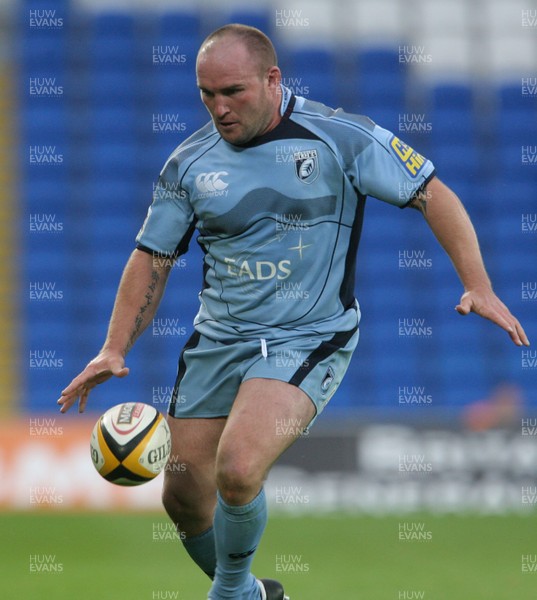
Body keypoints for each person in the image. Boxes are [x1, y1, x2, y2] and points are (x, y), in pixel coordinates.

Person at [58, 23, 530, 600]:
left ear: (272, 78)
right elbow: (151, 257)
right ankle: (253, 593)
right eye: (206, 94)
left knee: (237, 467)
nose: (219, 108)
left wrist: (476, 284)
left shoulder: (340, 137)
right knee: (182, 495)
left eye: (233, 91)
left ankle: (230, 593)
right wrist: (115, 347)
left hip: (307, 337)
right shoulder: (188, 163)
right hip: (217, 339)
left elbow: (433, 191)